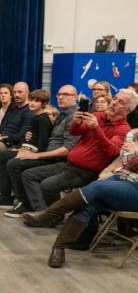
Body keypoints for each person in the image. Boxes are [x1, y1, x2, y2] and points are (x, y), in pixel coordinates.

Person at [22, 88, 137, 226]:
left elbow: (111, 151)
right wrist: (76, 122)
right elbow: (76, 132)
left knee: (47, 185)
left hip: (87, 171)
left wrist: (96, 128)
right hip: (70, 165)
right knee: (29, 174)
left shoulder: (123, 129)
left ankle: (49, 216)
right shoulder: (99, 116)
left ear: (128, 110)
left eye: (121, 102)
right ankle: (46, 214)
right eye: (115, 99)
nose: (114, 103)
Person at [25, 128, 138, 268]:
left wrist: (136, 150)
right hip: (121, 179)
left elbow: (131, 159)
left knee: (97, 187)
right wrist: (133, 153)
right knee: (90, 203)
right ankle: (58, 248)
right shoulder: (134, 133)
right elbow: (127, 160)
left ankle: (49, 214)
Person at [0, 89, 54, 216]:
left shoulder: (43, 119)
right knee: (3, 155)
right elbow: (30, 139)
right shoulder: (35, 117)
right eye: (31, 100)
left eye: (36, 101)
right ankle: (4, 195)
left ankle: (23, 201)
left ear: (43, 104)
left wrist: (27, 152)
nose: (32, 103)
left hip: (37, 154)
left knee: (13, 163)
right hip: (28, 149)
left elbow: (42, 145)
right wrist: (23, 144)